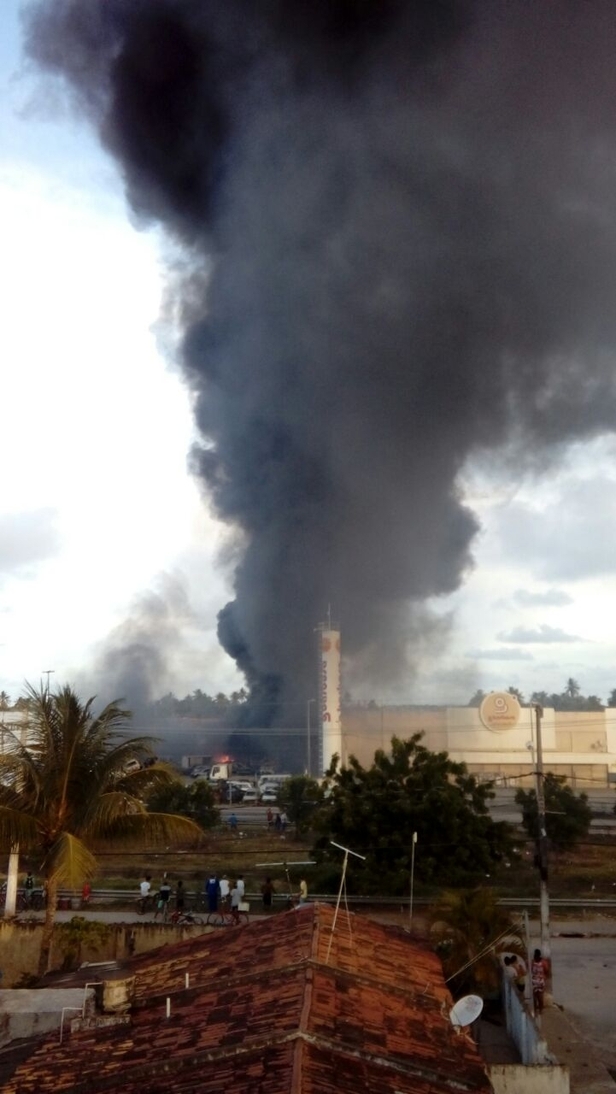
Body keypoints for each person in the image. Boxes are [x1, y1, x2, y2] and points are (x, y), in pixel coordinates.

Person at [531, 948, 550, 1015]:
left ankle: (538, 1010)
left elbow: (547, 971)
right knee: (538, 996)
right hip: (538, 980)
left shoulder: (534, 962)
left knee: (537, 996)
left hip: (537, 980)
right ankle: (539, 1010)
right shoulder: (542, 962)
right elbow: (547, 970)